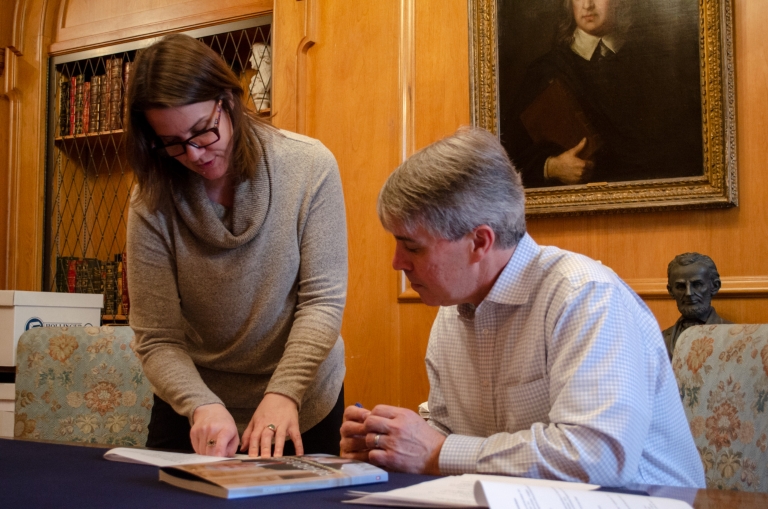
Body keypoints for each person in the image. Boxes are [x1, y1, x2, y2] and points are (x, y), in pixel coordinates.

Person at [340, 127, 705, 488]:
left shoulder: (586, 295)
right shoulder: (452, 311)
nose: (397, 263)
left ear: (479, 242)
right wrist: (386, 442)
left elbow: (597, 458)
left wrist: (439, 452)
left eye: (413, 247)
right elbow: (450, 431)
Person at [125, 34, 348, 458]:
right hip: (196, 405)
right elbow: (157, 338)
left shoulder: (309, 166)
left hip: (300, 398)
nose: (193, 154)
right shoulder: (149, 200)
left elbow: (322, 302)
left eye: (202, 131)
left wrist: (284, 392)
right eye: (172, 143)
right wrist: (200, 403)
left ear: (228, 100)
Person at [503, 0, 702, 187]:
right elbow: (509, 157)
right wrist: (552, 167)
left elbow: (683, 152)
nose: (588, 5)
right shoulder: (544, 71)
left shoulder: (653, 64)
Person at [662, 253, 732, 359]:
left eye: (697, 285)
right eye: (680, 287)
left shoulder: (734, 335)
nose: (689, 293)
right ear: (671, 291)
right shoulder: (660, 340)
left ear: (715, 286)